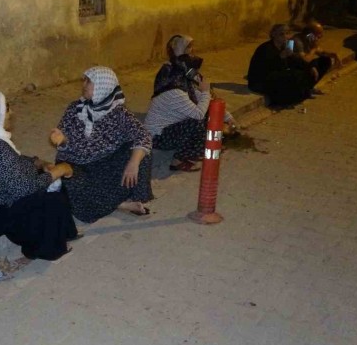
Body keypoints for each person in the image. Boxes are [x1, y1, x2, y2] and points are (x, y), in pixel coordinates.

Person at [0, 91, 78, 261]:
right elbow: (24, 188)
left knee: (46, 177)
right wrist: (60, 170)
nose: (11, 113)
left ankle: (63, 231)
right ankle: (47, 248)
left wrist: (39, 163)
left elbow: (13, 160)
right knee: (48, 197)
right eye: (6, 109)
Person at [50, 66, 153, 223]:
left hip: (106, 164)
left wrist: (133, 163)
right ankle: (120, 204)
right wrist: (62, 141)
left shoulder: (118, 113)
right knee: (70, 185)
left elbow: (143, 135)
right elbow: (65, 145)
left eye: (88, 81)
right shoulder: (74, 109)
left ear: (103, 87)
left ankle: (117, 200)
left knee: (141, 154)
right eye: (84, 80)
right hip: (78, 164)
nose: (83, 84)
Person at [144, 35, 235, 172]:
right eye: (188, 48)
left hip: (173, 126)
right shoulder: (173, 88)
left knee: (205, 112)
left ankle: (207, 145)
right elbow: (198, 113)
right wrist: (205, 92)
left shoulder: (183, 80)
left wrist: (228, 117)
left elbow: (207, 102)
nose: (195, 73)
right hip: (158, 136)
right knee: (197, 119)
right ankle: (178, 160)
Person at [247, 24, 316, 109]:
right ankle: (278, 103)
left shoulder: (284, 47)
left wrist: (310, 67)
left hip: (275, 76)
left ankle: (302, 95)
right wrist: (280, 57)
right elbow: (265, 68)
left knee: (301, 72)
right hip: (260, 81)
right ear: (273, 35)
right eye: (281, 34)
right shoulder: (266, 48)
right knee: (291, 75)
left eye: (287, 33)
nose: (284, 36)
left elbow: (295, 60)